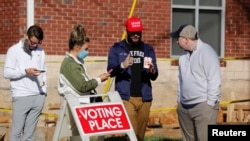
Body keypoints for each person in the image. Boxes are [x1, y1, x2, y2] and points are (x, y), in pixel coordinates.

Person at [107, 16, 158, 141]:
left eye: (138, 32)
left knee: (140, 137)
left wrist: (152, 71)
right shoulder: (117, 48)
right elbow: (110, 71)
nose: (136, 35)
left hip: (145, 98)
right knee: (132, 134)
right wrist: (122, 65)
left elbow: (155, 75)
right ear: (127, 31)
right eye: (133, 32)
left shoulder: (148, 49)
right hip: (126, 97)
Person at [170, 24, 221, 141]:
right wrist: (180, 101)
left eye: (178, 38)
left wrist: (210, 104)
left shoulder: (207, 52)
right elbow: (180, 80)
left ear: (186, 39)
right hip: (184, 107)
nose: (176, 42)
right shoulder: (183, 55)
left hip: (203, 106)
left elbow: (214, 79)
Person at [4, 25, 47, 141]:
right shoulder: (14, 50)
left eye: (37, 43)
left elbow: (44, 71)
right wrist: (25, 72)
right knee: (17, 133)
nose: (34, 45)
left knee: (30, 135)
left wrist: (44, 91)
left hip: (38, 96)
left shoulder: (40, 51)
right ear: (26, 37)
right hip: (21, 96)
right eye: (32, 42)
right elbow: (7, 73)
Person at [58, 23, 110, 100]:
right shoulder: (69, 64)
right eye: (85, 49)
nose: (87, 52)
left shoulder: (77, 61)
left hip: (80, 103)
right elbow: (82, 87)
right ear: (77, 47)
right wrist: (99, 79)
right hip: (75, 105)